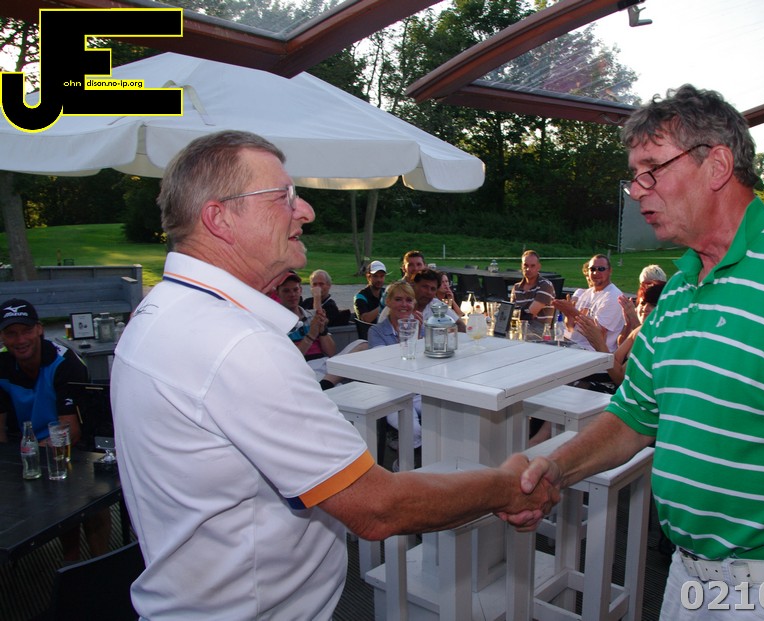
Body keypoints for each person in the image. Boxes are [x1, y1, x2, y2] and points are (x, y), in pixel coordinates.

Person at [506, 86, 764, 620]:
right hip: (689, 576)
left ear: (718, 165)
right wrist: (555, 468)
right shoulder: (681, 288)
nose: (636, 191)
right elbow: (634, 417)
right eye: (634, 175)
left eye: (651, 170)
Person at [110, 130, 556, 620]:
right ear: (219, 218)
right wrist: (507, 485)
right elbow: (378, 507)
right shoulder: (236, 345)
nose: (306, 211)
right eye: (283, 196)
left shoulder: (158, 312)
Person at [0, 299, 111, 564]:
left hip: (74, 445)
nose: (20, 340)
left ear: (39, 329)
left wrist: (30, 453)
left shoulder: (65, 362)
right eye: (11, 333)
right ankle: (68, 563)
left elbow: (70, 431)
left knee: (88, 494)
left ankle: (100, 563)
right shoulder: (2, 365)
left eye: (26, 331)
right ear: (2, 336)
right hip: (23, 447)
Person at [368, 280, 425, 468]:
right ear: (388, 302)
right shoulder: (377, 331)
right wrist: (409, 340)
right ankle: (402, 467)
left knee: (445, 418)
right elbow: (384, 365)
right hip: (391, 392)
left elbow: (427, 364)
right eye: (398, 299)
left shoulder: (421, 328)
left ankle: (432, 465)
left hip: (418, 390)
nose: (404, 305)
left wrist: (418, 336)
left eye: (409, 300)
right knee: (413, 430)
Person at [575, 279, 665, 388]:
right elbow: (615, 360)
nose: (645, 308)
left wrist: (599, 344)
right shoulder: (640, 330)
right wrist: (629, 324)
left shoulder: (657, 337)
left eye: (653, 305)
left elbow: (620, 379)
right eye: (643, 303)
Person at [553, 254, 624, 351]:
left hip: (594, 352)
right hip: (572, 345)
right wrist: (568, 313)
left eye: (601, 269)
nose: (595, 273)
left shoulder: (613, 296)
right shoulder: (587, 293)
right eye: (592, 269)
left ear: (610, 271)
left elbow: (599, 333)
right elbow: (571, 328)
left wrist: (572, 311)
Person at [510, 250, 555, 338]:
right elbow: (512, 313)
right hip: (520, 328)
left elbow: (529, 315)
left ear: (538, 267)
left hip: (540, 333)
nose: (528, 269)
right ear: (521, 266)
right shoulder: (516, 287)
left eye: (532, 266)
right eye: (525, 265)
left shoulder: (545, 285)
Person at [354, 260, 387, 324]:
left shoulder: (386, 293)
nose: (379, 280)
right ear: (368, 277)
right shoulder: (360, 297)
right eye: (375, 276)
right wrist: (383, 305)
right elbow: (365, 319)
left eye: (382, 276)